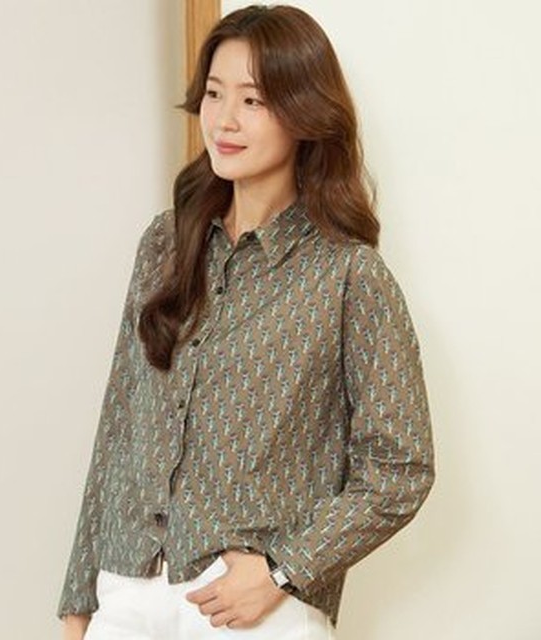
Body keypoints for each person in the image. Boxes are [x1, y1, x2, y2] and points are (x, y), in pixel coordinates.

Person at [57, 5, 435, 640]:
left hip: (249, 608)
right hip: (125, 592)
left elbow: (401, 468)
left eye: (253, 100)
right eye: (214, 94)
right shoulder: (164, 244)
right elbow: (118, 429)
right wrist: (78, 609)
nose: (224, 120)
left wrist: (284, 571)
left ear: (304, 113)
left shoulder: (348, 276)